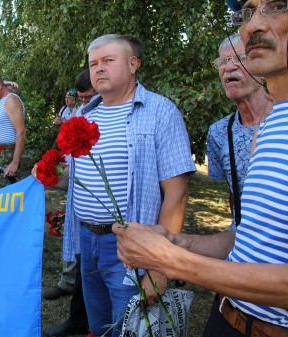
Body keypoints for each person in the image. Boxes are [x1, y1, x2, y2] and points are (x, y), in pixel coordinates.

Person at [113, 2, 288, 336]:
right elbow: (254, 240)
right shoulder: (271, 124)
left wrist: (170, 261)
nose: (253, 24)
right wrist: (178, 241)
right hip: (227, 318)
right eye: (247, 11)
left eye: (277, 6)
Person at [35, 34, 195, 337]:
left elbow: (177, 193)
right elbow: (86, 182)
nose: (98, 69)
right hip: (87, 238)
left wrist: (160, 265)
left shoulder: (160, 112)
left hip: (131, 245)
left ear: (134, 64)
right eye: (93, 63)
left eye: (108, 60)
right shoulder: (84, 115)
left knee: (131, 326)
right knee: (100, 326)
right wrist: (55, 180)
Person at [43, 68, 97, 337]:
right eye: (83, 98)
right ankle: (78, 319)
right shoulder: (80, 114)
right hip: (83, 207)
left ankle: (95, 324)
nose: (85, 102)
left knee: (104, 279)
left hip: (112, 215)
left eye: (89, 97)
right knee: (84, 268)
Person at [207, 33, 272, 231]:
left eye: (240, 58)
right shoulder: (218, 132)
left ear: (262, 69)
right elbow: (232, 196)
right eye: (223, 61)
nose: (229, 67)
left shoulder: (286, 118)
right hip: (243, 245)